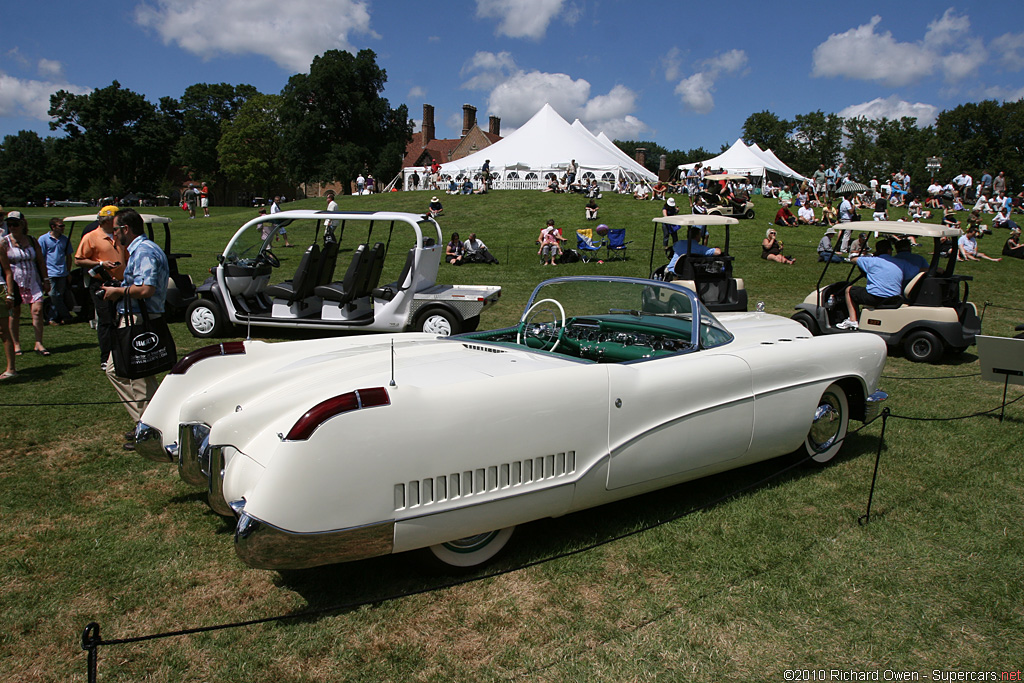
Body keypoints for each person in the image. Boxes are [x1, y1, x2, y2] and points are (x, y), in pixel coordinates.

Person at [100, 208, 170, 440]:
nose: (114, 235)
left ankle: (149, 428)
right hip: (139, 317)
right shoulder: (143, 250)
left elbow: (146, 290)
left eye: (116, 230)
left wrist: (117, 291)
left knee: (133, 375)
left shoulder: (143, 251)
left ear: (126, 229)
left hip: (139, 320)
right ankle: (150, 423)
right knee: (129, 373)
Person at [75, 205, 129, 369]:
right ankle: (106, 356)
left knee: (120, 318)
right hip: (101, 283)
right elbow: (79, 260)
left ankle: (120, 351)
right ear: (107, 220)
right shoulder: (91, 237)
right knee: (105, 320)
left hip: (120, 283)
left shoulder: (118, 236)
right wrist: (100, 264)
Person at [0, 213, 52, 357]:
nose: (12, 227)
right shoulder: (5, 242)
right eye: (9, 224)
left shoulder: (32, 240)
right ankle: (16, 343)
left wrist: (46, 279)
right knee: (14, 312)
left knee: (37, 309)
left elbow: (41, 261)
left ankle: (38, 342)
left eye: (15, 224)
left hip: (32, 278)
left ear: (22, 224)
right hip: (14, 279)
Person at [837, 240, 905, 330]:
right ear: (889, 251)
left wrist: (870, 255)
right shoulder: (900, 263)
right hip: (894, 298)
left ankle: (853, 320)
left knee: (849, 290)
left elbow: (853, 259)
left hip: (875, 297)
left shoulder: (871, 261)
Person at [38, 217, 74, 325]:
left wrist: (68, 271)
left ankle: (53, 317)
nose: (63, 228)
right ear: (53, 227)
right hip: (50, 272)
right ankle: (65, 315)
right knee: (53, 295)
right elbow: (41, 258)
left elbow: (69, 257)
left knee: (59, 295)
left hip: (62, 272)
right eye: (60, 226)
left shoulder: (65, 240)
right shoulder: (43, 239)